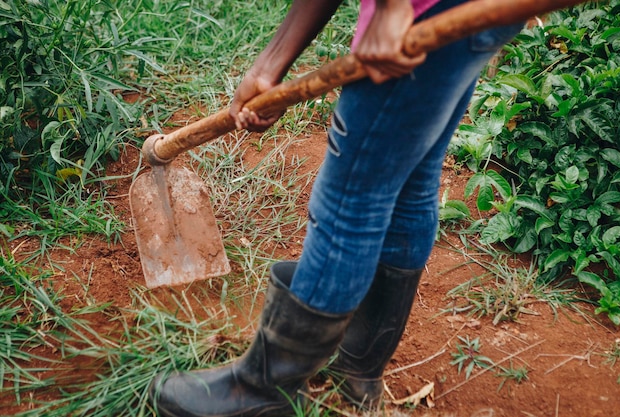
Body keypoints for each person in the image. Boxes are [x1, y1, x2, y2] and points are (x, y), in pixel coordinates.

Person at [149, 0, 523, 416]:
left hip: (422, 15)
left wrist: (391, 9)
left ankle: (264, 389)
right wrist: (271, 63)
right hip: (479, 12)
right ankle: (358, 367)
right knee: (411, 182)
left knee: (350, 202)